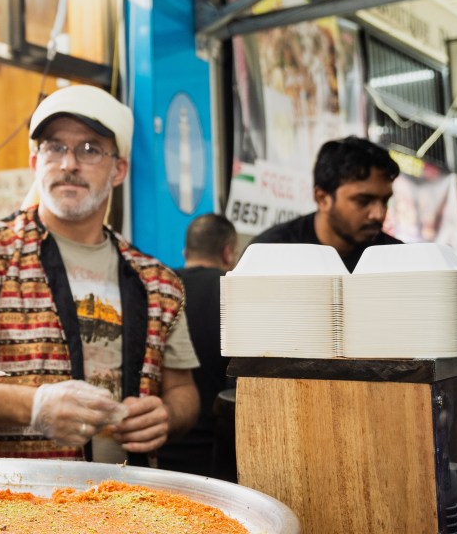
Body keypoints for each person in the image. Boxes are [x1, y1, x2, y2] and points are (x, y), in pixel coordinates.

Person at [0, 85, 200, 465]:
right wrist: (35, 406)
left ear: (119, 170)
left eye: (90, 149)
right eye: (54, 147)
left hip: (127, 507)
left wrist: (168, 416)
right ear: (35, 163)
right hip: (7, 510)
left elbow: (183, 391)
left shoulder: (159, 283)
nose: (69, 164)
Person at [156, 213, 237, 480]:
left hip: (155, 449)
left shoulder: (160, 292)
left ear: (185, 251)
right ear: (228, 253)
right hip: (213, 459)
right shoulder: (232, 291)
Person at [250, 135, 402, 271]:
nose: (379, 214)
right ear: (322, 199)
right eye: (363, 200)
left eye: (385, 201)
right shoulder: (271, 254)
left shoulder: (398, 259)